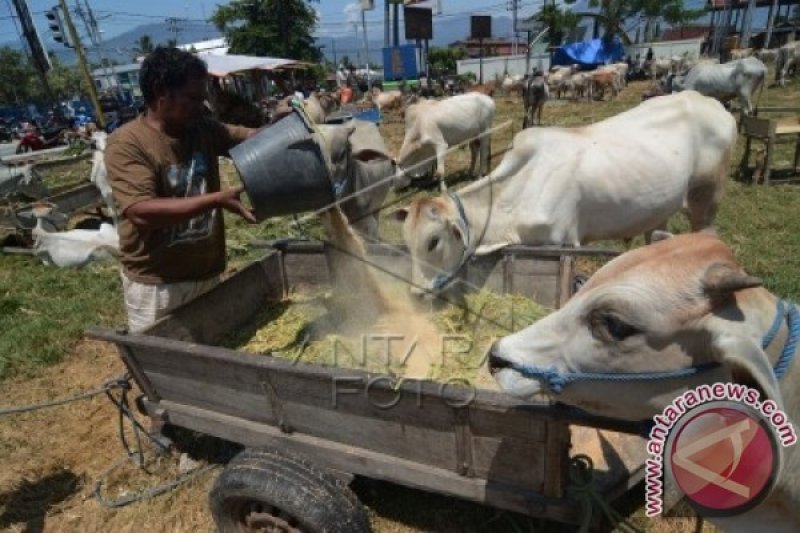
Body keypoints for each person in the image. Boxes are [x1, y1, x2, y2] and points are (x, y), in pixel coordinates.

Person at [104, 46, 259, 334]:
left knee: (215, 353)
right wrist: (217, 199)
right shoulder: (128, 143)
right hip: (158, 286)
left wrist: (291, 124)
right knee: (166, 367)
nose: (201, 107)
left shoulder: (202, 129)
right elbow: (142, 212)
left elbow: (252, 138)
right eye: (192, 99)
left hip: (206, 274)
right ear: (161, 92)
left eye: (203, 99)